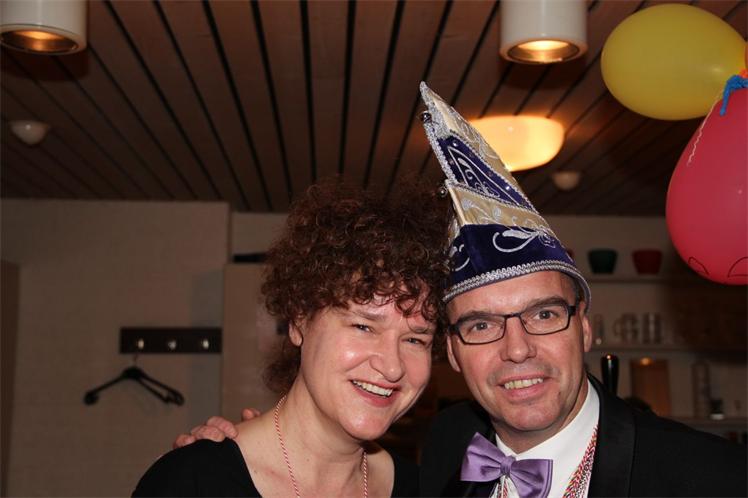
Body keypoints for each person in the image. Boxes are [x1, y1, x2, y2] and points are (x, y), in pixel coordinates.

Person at [175, 84, 747, 497]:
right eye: (481, 324)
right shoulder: (446, 451)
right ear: (452, 350)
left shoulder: (710, 479)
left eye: (544, 314)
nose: (517, 349)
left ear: (584, 327)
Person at [133, 180, 451, 497]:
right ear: (299, 320)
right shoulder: (192, 483)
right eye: (363, 327)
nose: (393, 367)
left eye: (415, 340)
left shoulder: (426, 491)